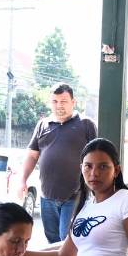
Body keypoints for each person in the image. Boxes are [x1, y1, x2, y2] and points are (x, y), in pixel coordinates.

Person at [18, 84, 97, 244]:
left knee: (66, 239)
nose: (59, 105)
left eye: (63, 101)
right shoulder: (42, 125)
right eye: (55, 101)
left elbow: (98, 157)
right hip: (47, 196)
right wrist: (22, 180)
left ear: (73, 102)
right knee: (52, 241)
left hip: (75, 194)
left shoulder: (86, 125)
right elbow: (32, 156)